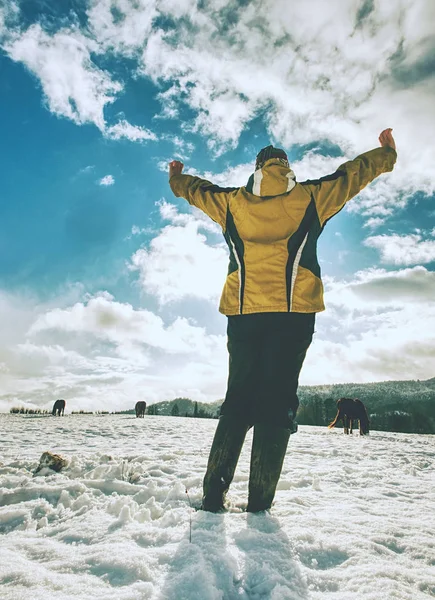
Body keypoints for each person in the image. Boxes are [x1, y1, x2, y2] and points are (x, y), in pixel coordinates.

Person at [168, 128, 397, 512]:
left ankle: (212, 496)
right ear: (286, 166)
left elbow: (197, 190)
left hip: (243, 313)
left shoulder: (231, 203)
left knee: (238, 400)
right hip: (294, 313)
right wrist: (385, 154)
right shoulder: (311, 196)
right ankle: (259, 504)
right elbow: (352, 175)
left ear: (257, 168)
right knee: (276, 405)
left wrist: (177, 178)